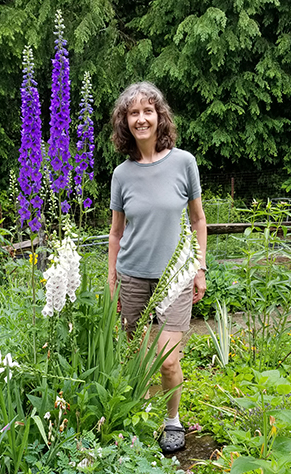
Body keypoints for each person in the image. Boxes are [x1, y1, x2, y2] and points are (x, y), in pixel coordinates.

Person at [108, 82, 207, 453]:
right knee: (135, 360)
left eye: (148, 110)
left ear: (159, 116)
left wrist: (200, 268)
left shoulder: (184, 163)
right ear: (125, 122)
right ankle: (139, 417)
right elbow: (116, 233)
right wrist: (112, 279)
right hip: (132, 277)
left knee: (166, 359)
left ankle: (172, 422)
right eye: (133, 113)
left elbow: (198, 221)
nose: (141, 118)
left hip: (176, 278)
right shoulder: (122, 174)